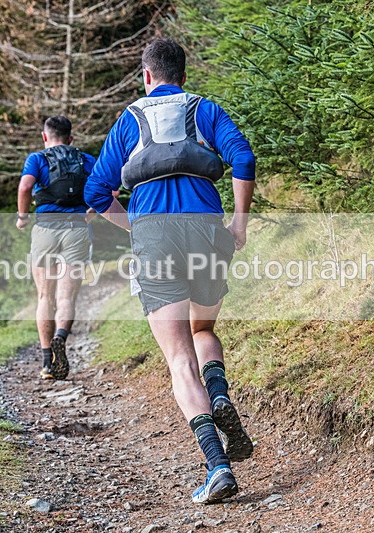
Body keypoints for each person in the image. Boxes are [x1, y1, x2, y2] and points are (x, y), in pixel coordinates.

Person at [84, 38, 256, 504]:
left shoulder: (128, 121)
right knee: (203, 329)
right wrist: (238, 223)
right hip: (206, 232)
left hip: (155, 237)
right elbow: (243, 157)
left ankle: (217, 466)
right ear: (183, 73)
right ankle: (218, 392)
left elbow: (96, 192)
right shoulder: (204, 111)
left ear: (146, 75)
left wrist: (137, 228)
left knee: (179, 359)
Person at [17, 115, 95, 381]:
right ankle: (61, 336)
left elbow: (26, 186)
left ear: (45, 136)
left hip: (46, 229)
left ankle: (47, 361)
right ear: (71, 138)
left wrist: (22, 216)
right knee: (66, 298)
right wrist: (91, 211)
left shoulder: (37, 159)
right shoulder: (85, 159)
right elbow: (111, 190)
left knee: (45, 298)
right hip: (76, 229)